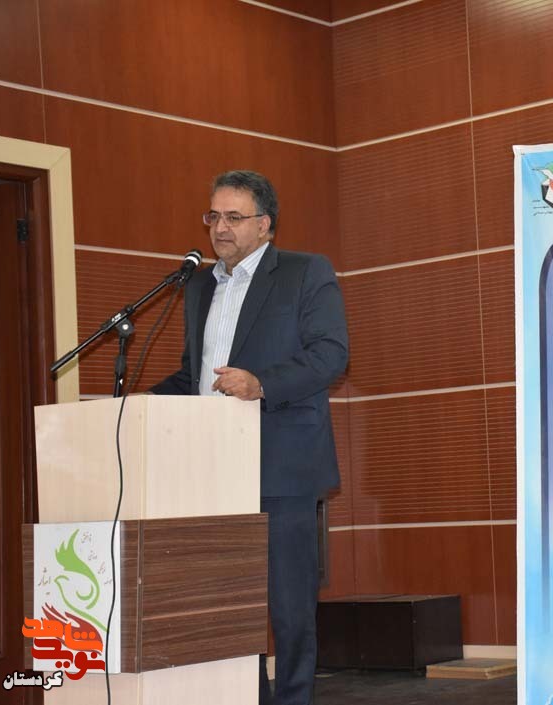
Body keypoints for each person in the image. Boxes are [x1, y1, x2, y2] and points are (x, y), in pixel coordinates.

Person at [150, 170, 349, 705]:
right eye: (213, 216)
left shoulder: (305, 272)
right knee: (230, 603)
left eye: (234, 217)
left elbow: (330, 354)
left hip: (283, 464)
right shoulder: (199, 285)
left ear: (265, 225)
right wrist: (136, 404)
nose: (220, 228)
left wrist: (262, 384)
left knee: (289, 608)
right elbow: (196, 374)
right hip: (212, 467)